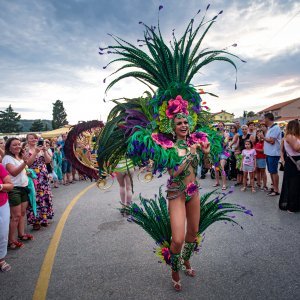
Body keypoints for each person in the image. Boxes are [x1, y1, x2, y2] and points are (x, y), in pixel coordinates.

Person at [166, 116, 210, 291]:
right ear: (173, 128)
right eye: (179, 123)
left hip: (193, 192)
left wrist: (206, 154)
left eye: (185, 122)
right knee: (177, 239)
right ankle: (174, 271)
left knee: (193, 233)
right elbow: (174, 172)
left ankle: (186, 260)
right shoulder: (169, 148)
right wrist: (191, 153)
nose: (183, 125)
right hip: (177, 194)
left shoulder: (195, 144)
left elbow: (207, 167)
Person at [2, 138, 36, 249]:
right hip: (14, 189)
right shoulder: (7, 158)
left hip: (24, 187)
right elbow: (14, 172)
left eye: (18, 144)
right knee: (15, 216)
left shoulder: (19, 157)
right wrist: (24, 163)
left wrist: (35, 153)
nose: (17, 146)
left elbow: (26, 167)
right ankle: (11, 240)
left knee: (22, 214)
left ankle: (21, 234)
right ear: (9, 147)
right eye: (14, 145)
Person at [26, 133, 53, 229]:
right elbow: (28, 163)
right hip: (33, 177)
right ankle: (35, 221)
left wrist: (45, 151)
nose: (34, 140)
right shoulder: (26, 150)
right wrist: (35, 152)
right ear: (27, 140)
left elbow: (48, 161)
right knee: (35, 198)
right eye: (31, 138)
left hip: (43, 176)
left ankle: (44, 219)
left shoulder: (41, 149)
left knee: (44, 197)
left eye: (35, 138)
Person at [279, 119, 300, 212]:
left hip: (294, 161)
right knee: (293, 185)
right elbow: (296, 149)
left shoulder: (294, 136)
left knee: (295, 184)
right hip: (293, 162)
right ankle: (291, 206)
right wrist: (283, 160)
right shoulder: (289, 136)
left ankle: (294, 205)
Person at [263, 113, 282, 196]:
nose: (263, 120)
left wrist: (262, 137)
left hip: (273, 153)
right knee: (271, 171)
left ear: (268, 118)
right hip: (269, 153)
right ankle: (273, 187)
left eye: (264, 119)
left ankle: (276, 190)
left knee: (274, 171)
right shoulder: (270, 128)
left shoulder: (275, 128)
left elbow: (271, 141)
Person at [0, 163, 14, 272]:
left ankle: (1, 259)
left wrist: (1, 186)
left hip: (2, 204)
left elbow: (10, 185)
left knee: (3, 233)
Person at [213, 122, 229, 190]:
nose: (220, 127)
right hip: (216, 152)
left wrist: (221, 140)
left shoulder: (226, 134)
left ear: (224, 126)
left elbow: (225, 143)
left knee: (222, 167)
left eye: (221, 125)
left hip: (224, 152)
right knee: (216, 168)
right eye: (219, 126)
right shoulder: (215, 134)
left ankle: (224, 184)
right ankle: (217, 182)